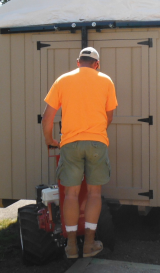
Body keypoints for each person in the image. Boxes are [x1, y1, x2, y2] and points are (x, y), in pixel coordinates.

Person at [42, 47, 118, 259]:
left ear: (78, 62)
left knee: (71, 194)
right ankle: (90, 245)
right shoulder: (106, 81)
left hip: (69, 143)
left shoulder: (63, 80)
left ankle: (72, 246)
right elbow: (109, 116)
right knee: (94, 193)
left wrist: (50, 140)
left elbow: (47, 118)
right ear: (97, 64)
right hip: (97, 143)